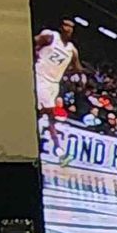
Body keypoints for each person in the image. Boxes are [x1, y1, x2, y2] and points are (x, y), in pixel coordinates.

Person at [34, 24, 81, 164]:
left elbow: (77, 67)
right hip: (40, 77)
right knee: (47, 114)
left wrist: (66, 72)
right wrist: (36, 53)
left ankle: (58, 152)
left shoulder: (72, 49)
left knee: (48, 117)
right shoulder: (50, 36)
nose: (68, 29)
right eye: (66, 25)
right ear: (61, 27)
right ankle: (59, 151)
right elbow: (34, 41)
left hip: (54, 84)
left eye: (71, 27)